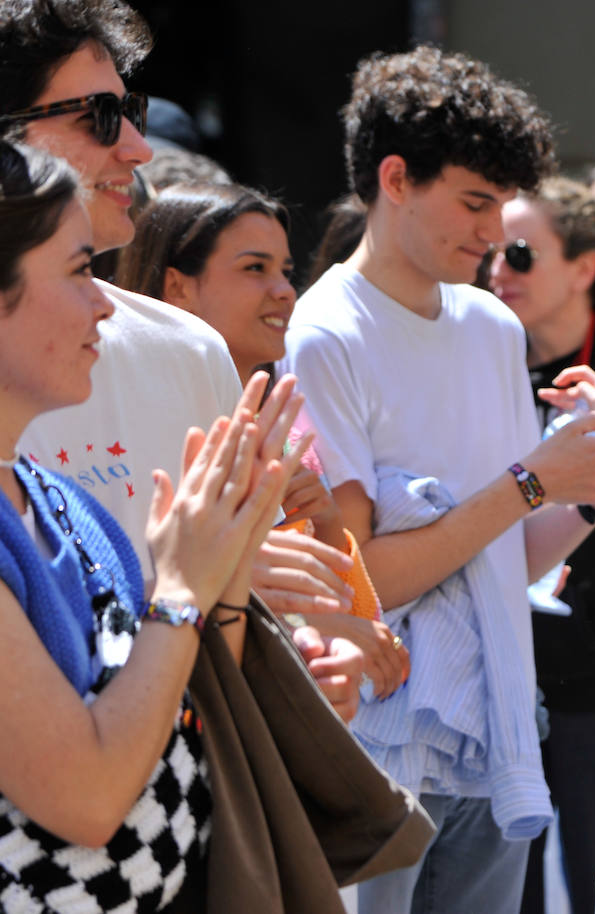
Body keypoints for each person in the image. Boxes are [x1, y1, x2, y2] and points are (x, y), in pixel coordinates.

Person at [284, 46, 595, 914]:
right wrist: (536, 481)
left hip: (498, 731)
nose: (492, 233)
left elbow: (513, 561)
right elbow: (362, 579)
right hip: (380, 736)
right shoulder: (325, 334)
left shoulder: (490, 325)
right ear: (394, 178)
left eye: (501, 205)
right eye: (473, 202)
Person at [1, 0, 362, 719]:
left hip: (176, 807)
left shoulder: (188, 348)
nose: (135, 148)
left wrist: (306, 651)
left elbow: (237, 616)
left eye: (129, 112)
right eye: (97, 117)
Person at [0, 139, 298, 912]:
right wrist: (181, 584)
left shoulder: (58, 500)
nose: (106, 302)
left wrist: (229, 555)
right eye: (76, 271)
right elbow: (90, 798)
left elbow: (171, 706)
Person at [116, 181, 411, 704]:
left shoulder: (289, 433)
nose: (284, 291)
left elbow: (355, 616)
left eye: (286, 272)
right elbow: (149, 589)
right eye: (255, 268)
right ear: (177, 286)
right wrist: (314, 625)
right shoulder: (134, 424)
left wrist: (325, 524)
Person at [487, 177, 595, 914]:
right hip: (502, 671)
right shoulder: (481, 353)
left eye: (519, 254)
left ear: (584, 268)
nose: (498, 270)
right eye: (489, 253)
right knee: (503, 891)